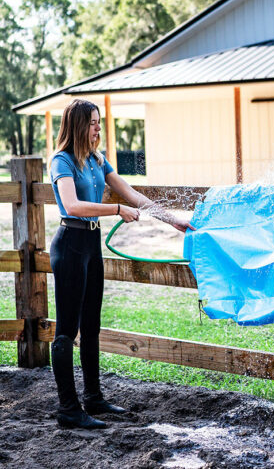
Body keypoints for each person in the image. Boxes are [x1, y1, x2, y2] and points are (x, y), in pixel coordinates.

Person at [49, 98, 194, 429]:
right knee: (66, 331)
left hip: (91, 245)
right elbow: (71, 205)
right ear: (78, 126)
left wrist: (172, 220)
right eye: (93, 122)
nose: (98, 128)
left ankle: (93, 399)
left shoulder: (99, 161)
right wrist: (115, 211)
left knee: (92, 326)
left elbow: (133, 195)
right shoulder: (62, 161)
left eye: (99, 122)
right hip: (70, 245)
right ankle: (68, 410)